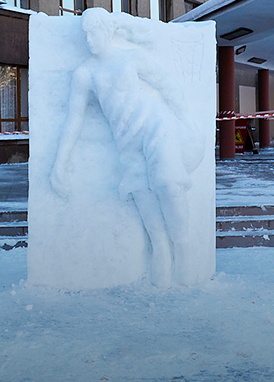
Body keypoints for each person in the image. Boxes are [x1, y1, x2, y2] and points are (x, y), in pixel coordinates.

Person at [50, 8, 203, 287]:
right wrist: (59, 164)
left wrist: (186, 119)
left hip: (156, 126)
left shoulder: (130, 58)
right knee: (141, 191)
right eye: (85, 34)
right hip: (127, 140)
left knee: (168, 184)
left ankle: (184, 244)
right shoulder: (85, 73)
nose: (89, 39)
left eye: (93, 32)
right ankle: (161, 248)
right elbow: (74, 119)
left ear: (107, 31)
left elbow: (166, 84)